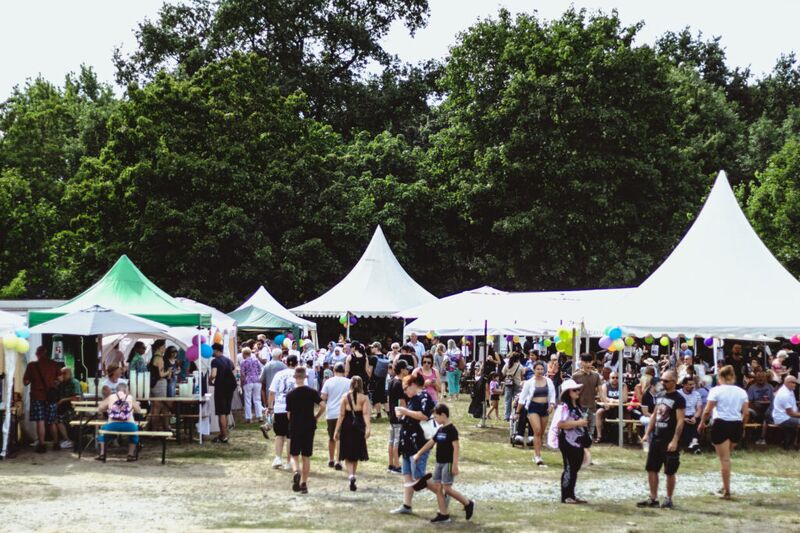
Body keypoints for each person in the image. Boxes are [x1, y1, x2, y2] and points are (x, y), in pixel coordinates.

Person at [413, 403, 475, 523]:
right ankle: (443, 514)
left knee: (447, 489)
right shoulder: (440, 430)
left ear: (443, 415)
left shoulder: (452, 430)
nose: (435, 419)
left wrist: (455, 465)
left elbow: (456, 447)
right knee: (438, 488)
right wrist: (419, 453)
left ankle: (468, 503)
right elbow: (431, 442)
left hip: (448, 463)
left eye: (436, 417)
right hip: (439, 463)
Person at [698, 365, 749, 500]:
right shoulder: (741, 392)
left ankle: (727, 492)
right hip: (736, 424)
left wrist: (702, 422)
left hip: (721, 424)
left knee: (724, 459)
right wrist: (742, 426)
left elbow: (707, 410)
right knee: (727, 457)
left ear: (720, 377)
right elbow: (746, 413)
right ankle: (724, 485)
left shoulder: (716, 390)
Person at [637, 370, 685, 509]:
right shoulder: (660, 395)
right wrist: (647, 433)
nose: (662, 383)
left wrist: (675, 440)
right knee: (651, 468)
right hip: (657, 438)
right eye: (662, 380)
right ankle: (653, 498)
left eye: (666, 381)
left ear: (674, 382)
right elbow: (654, 416)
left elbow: (680, 421)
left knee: (670, 471)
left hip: (669, 439)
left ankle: (668, 499)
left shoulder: (679, 398)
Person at [391, 374, 435, 515]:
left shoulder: (424, 397)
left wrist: (405, 411)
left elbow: (424, 415)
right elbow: (411, 417)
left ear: (414, 385)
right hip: (408, 443)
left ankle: (442, 492)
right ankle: (407, 505)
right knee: (407, 475)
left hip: (419, 444)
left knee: (419, 477)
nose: (405, 392)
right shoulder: (413, 399)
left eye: (406, 388)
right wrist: (402, 416)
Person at [285, 366, 324, 494]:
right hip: (309, 425)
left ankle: (296, 471)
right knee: (306, 456)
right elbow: (323, 405)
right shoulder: (312, 392)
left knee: (294, 454)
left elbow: (288, 414)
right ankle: (304, 484)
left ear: (295, 377)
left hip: (295, 425)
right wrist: (316, 417)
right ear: (305, 377)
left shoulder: (290, 395)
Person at [554, 379, 589, 504]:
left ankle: (571, 494)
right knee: (569, 468)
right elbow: (560, 424)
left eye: (578, 389)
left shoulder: (577, 407)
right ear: (568, 392)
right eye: (574, 390)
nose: (577, 392)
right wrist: (578, 423)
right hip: (567, 441)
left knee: (575, 468)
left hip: (577, 441)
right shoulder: (564, 407)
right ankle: (566, 495)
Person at [334, 376, 371, 491]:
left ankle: (351, 475)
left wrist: (336, 429)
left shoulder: (345, 397)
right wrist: (368, 428)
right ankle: (353, 475)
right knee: (356, 452)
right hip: (359, 425)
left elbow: (341, 415)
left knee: (347, 452)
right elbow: (365, 414)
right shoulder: (364, 398)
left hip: (347, 425)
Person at [516, 361, 556, 466]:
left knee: (541, 433)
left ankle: (536, 453)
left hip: (544, 408)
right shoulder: (529, 382)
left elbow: (552, 394)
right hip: (533, 407)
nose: (540, 371)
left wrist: (552, 404)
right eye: (538, 369)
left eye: (541, 369)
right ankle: (538, 456)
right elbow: (522, 398)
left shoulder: (548, 381)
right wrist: (518, 411)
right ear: (534, 370)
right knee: (537, 430)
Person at [23, 346, 60, 453]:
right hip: (51, 397)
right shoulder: (54, 364)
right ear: (46, 353)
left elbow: (25, 382)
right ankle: (56, 443)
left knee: (40, 421)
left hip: (37, 396)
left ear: (37, 354)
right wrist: (52, 384)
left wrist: (33, 380)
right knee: (52, 421)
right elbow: (60, 379)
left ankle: (42, 445)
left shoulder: (31, 366)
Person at [269, 354, 303, 468]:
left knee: (279, 434)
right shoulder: (299, 375)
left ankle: (278, 458)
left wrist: (270, 407)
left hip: (279, 406)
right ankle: (289, 461)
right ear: (297, 363)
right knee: (290, 436)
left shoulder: (279, 374)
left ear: (286, 362)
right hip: (294, 409)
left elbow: (272, 392)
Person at [95, 382, 143, 461]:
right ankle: (130, 455)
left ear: (116, 390)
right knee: (135, 432)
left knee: (103, 430)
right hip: (129, 426)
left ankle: (102, 454)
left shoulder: (111, 397)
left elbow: (100, 408)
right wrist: (134, 405)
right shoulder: (130, 397)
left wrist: (108, 407)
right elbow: (139, 411)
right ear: (126, 390)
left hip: (112, 426)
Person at [321, 362, 350, 470]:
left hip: (331, 413)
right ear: (344, 371)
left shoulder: (328, 382)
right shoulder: (349, 382)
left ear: (334, 371)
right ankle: (338, 460)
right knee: (340, 438)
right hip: (344, 413)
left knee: (331, 437)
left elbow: (323, 397)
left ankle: (331, 459)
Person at [571, 353, 602, 440]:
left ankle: (589, 440)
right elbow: (571, 391)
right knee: (580, 426)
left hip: (592, 406)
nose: (588, 364)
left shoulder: (596, 375)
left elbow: (600, 390)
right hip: (579, 405)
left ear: (592, 362)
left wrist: (605, 401)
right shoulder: (575, 376)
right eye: (585, 362)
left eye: (589, 362)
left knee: (591, 426)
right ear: (581, 362)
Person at [210, 343, 236, 443]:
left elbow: (213, 374)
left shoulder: (215, 361)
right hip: (230, 387)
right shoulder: (229, 361)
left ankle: (224, 435)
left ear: (216, 350)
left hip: (221, 387)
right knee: (226, 411)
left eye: (212, 350)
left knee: (221, 412)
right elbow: (233, 372)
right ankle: (223, 433)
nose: (211, 352)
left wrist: (209, 379)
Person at [387, 360, 410, 473]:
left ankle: (391, 464)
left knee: (391, 441)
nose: (408, 370)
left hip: (392, 414)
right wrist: (406, 415)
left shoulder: (392, 381)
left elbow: (389, 399)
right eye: (406, 368)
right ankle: (396, 465)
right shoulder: (400, 383)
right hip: (399, 416)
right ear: (402, 370)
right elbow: (402, 402)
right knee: (397, 441)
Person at [594, 371, 628, 443]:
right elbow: (603, 398)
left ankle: (629, 437)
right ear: (609, 378)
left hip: (620, 408)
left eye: (617, 378)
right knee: (599, 412)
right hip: (608, 408)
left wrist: (613, 401)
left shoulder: (623, 385)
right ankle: (599, 436)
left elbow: (624, 399)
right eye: (613, 378)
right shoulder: (605, 385)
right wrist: (611, 401)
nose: (615, 379)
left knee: (629, 413)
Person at [147, 340, 171, 432]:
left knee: (154, 408)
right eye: (164, 347)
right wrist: (169, 371)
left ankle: (151, 428)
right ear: (159, 347)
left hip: (153, 384)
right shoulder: (159, 358)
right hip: (159, 384)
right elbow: (161, 374)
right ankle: (154, 430)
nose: (165, 348)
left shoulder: (153, 357)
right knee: (157, 408)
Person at [746, 369, 774, 445]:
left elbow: (774, 400)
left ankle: (763, 438)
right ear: (755, 378)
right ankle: (759, 438)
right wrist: (756, 408)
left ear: (765, 378)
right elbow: (749, 402)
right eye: (758, 376)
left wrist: (770, 408)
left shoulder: (770, 387)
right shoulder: (752, 388)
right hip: (756, 408)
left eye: (762, 376)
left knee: (766, 415)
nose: (760, 378)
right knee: (760, 416)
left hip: (768, 408)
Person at [55, 367, 81, 449]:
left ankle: (69, 440)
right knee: (54, 418)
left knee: (60, 419)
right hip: (64, 408)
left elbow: (77, 397)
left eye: (64, 373)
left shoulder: (74, 382)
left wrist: (63, 400)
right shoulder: (62, 384)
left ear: (70, 374)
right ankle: (65, 439)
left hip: (74, 408)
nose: (62, 375)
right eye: (61, 374)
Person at [771, 375, 800, 449]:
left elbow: (793, 408)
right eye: (793, 382)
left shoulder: (790, 390)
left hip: (787, 416)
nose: (795, 384)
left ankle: (794, 443)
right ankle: (796, 444)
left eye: (795, 383)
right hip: (783, 419)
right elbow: (791, 413)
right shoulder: (784, 394)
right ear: (786, 382)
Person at [678, 377, 703, 453]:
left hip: (693, 415)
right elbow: (674, 409)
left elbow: (699, 409)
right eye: (690, 384)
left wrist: (695, 417)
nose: (692, 386)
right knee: (684, 423)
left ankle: (693, 443)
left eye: (693, 384)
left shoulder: (697, 394)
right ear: (684, 385)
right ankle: (694, 445)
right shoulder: (678, 394)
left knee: (697, 421)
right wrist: (683, 418)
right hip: (681, 415)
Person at [239, 347, 264, 423]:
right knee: (257, 399)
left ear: (244, 354)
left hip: (248, 381)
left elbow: (242, 375)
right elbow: (260, 370)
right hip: (257, 380)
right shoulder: (256, 361)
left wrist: (241, 384)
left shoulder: (243, 362)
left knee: (247, 400)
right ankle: (259, 416)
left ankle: (249, 417)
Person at [501, 352, 524, 421]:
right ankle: (514, 414)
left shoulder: (507, 365)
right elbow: (522, 375)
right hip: (518, 383)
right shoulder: (520, 366)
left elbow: (503, 373)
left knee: (507, 400)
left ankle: (507, 416)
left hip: (508, 383)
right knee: (516, 400)